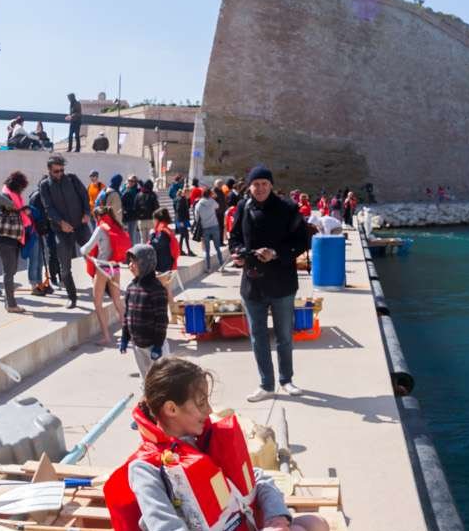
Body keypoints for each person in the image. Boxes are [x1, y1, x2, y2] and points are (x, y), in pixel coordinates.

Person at [104, 357, 329, 531]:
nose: (209, 411)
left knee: (316, 523)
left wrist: (276, 519)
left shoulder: (203, 439)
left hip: (243, 521)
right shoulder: (146, 469)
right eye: (201, 403)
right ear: (171, 409)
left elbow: (258, 478)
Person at [229, 165, 312, 402]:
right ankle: (266, 384)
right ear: (250, 186)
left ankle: (286, 380)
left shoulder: (288, 208)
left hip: (282, 283)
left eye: (265, 183)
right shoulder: (244, 207)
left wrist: (275, 253)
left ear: (271, 185)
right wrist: (237, 252)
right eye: (256, 184)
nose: (260, 188)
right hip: (253, 283)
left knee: (284, 335)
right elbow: (234, 237)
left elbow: (301, 242)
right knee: (258, 336)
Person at [37, 155, 92, 309]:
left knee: (93, 256)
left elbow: (84, 195)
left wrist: (87, 213)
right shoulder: (44, 186)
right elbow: (49, 208)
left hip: (80, 226)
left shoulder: (72, 179)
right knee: (65, 266)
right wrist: (61, 223)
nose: (60, 174)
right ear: (49, 170)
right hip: (61, 231)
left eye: (61, 170)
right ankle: (72, 297)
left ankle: (104, 286)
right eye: (56, 171)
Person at [80, 205, 131, 346]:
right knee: (117, 301)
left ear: (97, 217)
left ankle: (107, 337)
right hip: (115, 268)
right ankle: (128, 333)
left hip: (103, 268)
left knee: (97, 303)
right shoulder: (116, 226)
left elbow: (86, 249)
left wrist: (82, 249)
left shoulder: (101, 228)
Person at [119, 245, 170, 376]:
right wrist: (125, 338)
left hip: (154, 345)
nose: (130, 265)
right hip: (138, 345)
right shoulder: (131, 287)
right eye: (129, 262)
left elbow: (161, 321)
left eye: (134, 262)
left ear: (146, 264)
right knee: (146, 378)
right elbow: (127, 316)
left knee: (161, 380)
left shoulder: (157, 290)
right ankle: (147, 396)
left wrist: (158, 345)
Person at [0, 171, 33, 313]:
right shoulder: (6, 195)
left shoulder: (15, 197)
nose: (22, 191)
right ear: (17, 186)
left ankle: (8, 302)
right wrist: (12, 205)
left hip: (12, 239)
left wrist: (22, 210)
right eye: (21, 188)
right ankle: (11, 304)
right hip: (4, 240)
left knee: (11, 270)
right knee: (9, 272)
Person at [148, 208, 181, 298]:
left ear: (157, 219)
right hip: (167, 264)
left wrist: (151, 236)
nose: (153, 222)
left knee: (163, 293)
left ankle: (165, 311)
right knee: (167, 291)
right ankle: (172, 310)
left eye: (153, 219)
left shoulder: (162, 231)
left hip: (163, 267)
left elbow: (155, 245)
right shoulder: (165, 229)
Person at [194, 188, 223, 273]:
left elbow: (196, 218)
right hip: (214, 225)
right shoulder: (212, 201)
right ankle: (221, 265)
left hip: (204, 227)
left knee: (207, 249)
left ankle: (208, 268)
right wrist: (213, 197)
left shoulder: (198, 204)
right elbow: (218, 206)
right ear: (210, 194)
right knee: (217, 247)